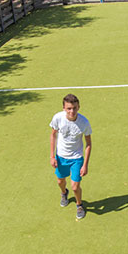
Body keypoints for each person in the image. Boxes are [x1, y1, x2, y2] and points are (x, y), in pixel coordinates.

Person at [49, 93, 93, 221]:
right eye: (69, 108)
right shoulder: (58, 118)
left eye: (74, 108)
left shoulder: (84, 122)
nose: (71, 111)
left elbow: (88, 144)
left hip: (76, 158)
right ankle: (64, 193)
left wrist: (85, 165)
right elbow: (53, 135)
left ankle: (79, 205)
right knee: (60, 182)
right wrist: (52, 156)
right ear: (64, 108)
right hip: (61, 157)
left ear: (78, 107)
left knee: (75, 186)